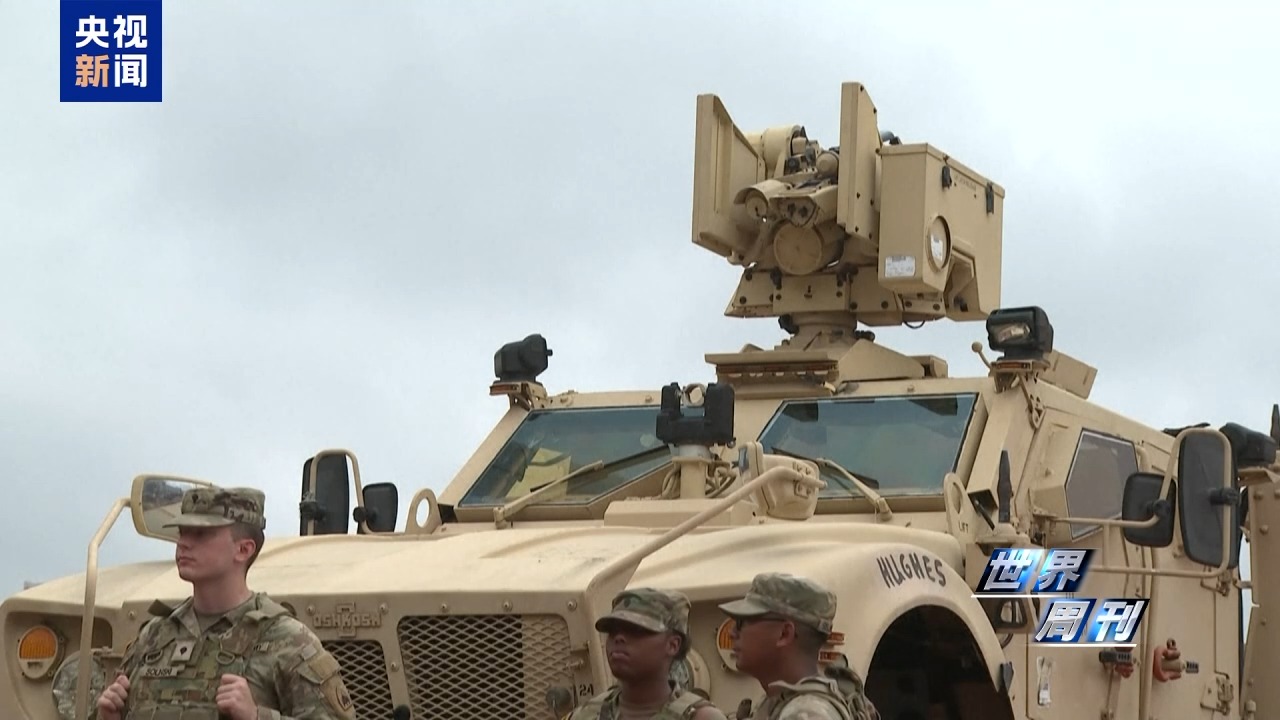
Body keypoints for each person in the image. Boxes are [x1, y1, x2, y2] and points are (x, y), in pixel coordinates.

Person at [94, 485, 357, 720]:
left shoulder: (288, 640)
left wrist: (256, 716)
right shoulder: (154, 636)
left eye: (200, 534)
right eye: (183, 533)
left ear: (243, 549)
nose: (183, 544)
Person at [719, 572, 879, 720]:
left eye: (741, 623)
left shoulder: (808, 713)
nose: (732, 633)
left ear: (784, 634)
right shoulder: (782, 700)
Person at [570, 587, 727, 720]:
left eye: (636, 630)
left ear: (673, 645)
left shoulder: (701, 717)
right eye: (613, 631)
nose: (619, 638)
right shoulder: (586, 715)